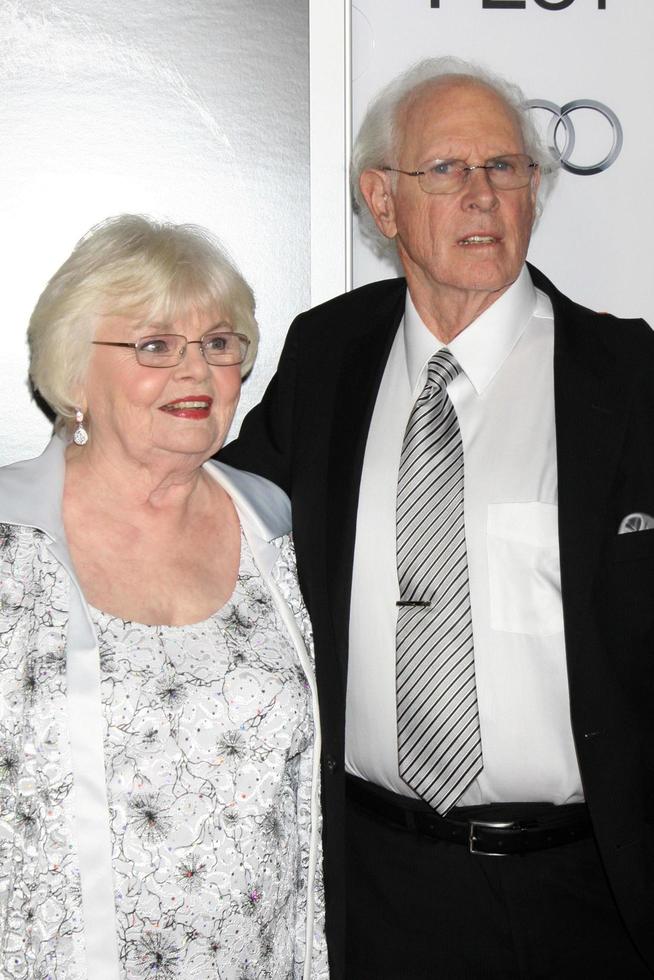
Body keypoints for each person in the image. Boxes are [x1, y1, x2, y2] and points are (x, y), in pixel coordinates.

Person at [220, 57, 654, 979]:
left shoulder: (632, 379)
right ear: (382, 202)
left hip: (595, 893)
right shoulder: (327, 356)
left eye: (506, 169)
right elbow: (217, 519)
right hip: (376, 888)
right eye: (448, 171)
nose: (484, 197)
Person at [0, 215, 328, 980]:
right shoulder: (7, 539)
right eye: (154, 346)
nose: (196, 371)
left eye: (218, 343)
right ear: (74, 373)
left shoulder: (278, 527)